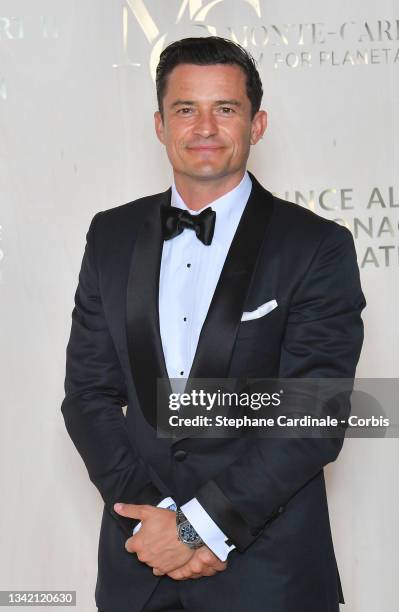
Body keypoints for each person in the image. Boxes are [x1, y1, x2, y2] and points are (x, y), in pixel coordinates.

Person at [61, 36, 365, 612]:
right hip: (140, 566)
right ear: (159, 124)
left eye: (224, 109)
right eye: (185, 109)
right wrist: (159, 522)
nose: (204, 126)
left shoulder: (316, 246)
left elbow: (314, 411)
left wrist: (201, 527)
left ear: (257, 124)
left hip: (267, 577)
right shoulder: (110, 235)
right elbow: (88, 396)